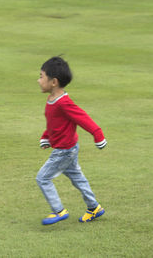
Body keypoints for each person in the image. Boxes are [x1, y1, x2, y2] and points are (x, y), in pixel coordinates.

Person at [36, 56, 107, 225]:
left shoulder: (64, 103)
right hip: (67, 147)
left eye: (41, 76)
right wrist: (46, 137)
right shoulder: (52, 100)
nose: (38, 81)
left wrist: (98, 134)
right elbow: (54, 123)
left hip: (64, 150)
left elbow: (83, 118)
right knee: (77, 178)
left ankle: (58, 210)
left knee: (42, 178)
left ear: (53, 82)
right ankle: (94, 207)